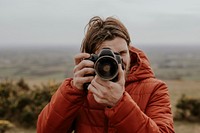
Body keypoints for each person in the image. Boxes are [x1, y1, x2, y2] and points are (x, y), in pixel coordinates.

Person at [37, 16, 174, 133]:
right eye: (107, 55)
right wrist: (73, 91)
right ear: (91, 58)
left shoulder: (155, 89)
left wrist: (120, 103)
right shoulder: (80, 90)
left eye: (121, 53)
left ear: (130, 51)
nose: (116, 61)